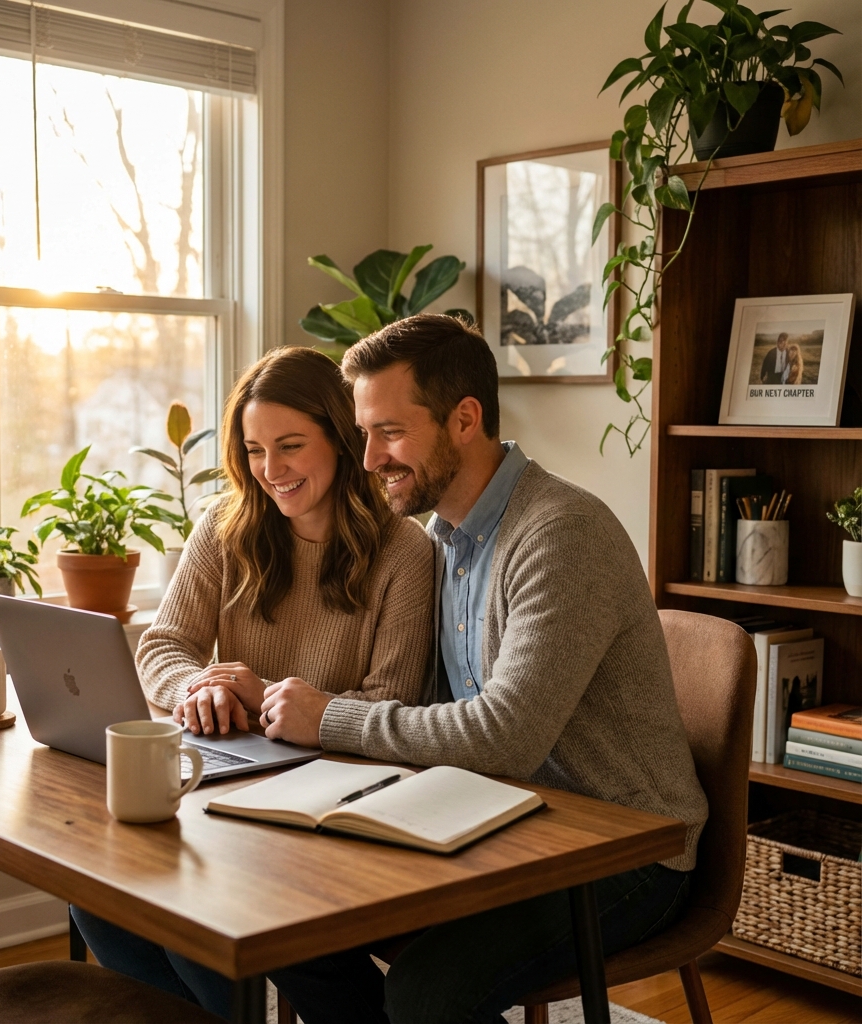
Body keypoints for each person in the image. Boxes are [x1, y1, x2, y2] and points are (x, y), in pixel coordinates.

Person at [260, 314, 709, 1024]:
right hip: (502, 825)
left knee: (425, 991)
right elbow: (432, 707)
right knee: (286, 921)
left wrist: (331, 718)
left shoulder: (561, 532)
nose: (369, 458)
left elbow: (505, 737)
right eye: (365, 432)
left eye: (391, 432)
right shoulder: (433, 540)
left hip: (623, 851)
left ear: (465, 419)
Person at [70, 345, 434, 1018]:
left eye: (290, 445)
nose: (271, 470)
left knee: (198, 912)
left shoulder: (405, 551)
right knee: (100, 894)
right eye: (255, 450)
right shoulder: (224, 525)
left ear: (342, 436)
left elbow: (392, 706)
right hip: (233, 781)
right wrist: (198, 689)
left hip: (336, 799)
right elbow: (164, 645)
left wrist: (261, 693)